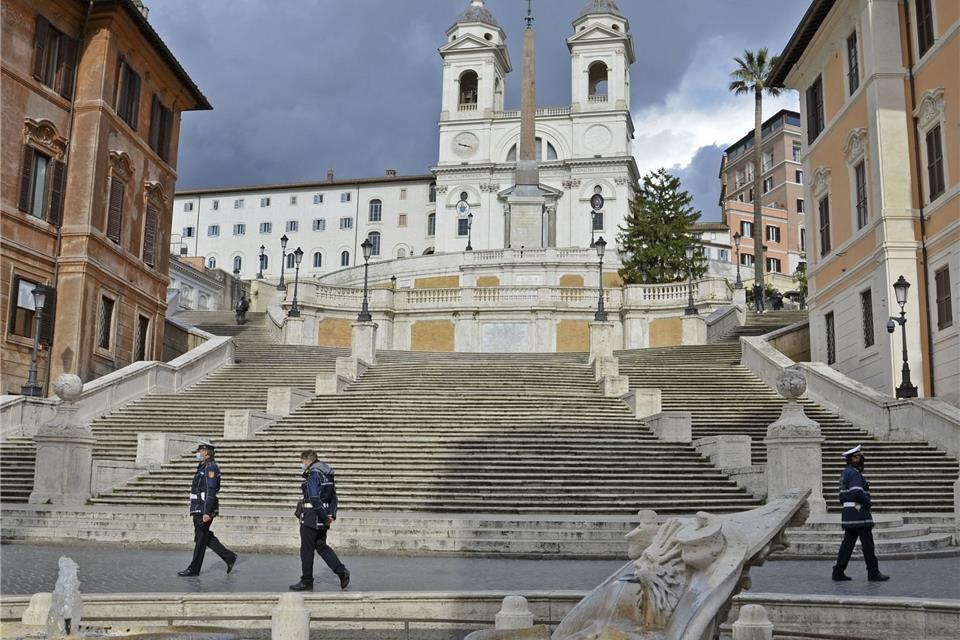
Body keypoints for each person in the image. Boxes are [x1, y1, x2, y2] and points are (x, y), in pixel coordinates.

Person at [289, 450, 350, 591]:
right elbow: (334, 497)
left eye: (302, 462)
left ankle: (307, 581)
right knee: (321, 546)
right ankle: (341, 571)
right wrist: (331, 515)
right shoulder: (328, 474)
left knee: (306, 550)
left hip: (311, 517)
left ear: (308, 460)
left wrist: (324, 517)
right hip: (323, 517)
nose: (302, 465)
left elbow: (314, 498)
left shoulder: (314, 475)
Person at [178, 440, 237, 576]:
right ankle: (229, 557)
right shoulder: (203, 466)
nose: (198, 453)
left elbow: (211, 490)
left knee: (200, 539)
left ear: (205, 452)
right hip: (198, 507)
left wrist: (207, 512)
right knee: (203, 537)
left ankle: (194, 569)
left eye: (199, 450)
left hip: (203, 508)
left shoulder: (210, 467)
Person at [832, 445, 889, 582]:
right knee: (868, 545)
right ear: (854, 458)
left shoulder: (845, 473)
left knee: (847, 544)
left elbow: (841, 496)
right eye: (859, 456)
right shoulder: (855, 474)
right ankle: (873, 573)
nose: (862, 458)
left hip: (848, 514)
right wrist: (868, 503)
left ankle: (838, 572)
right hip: (859, 514)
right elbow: (856, 492)